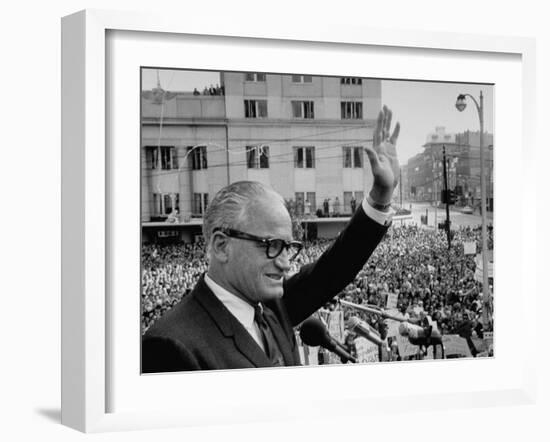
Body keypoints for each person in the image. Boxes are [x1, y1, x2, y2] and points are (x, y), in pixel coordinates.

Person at [142, 105, 401, 372]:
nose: (285, 263)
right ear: (221, 246)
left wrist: (380, 197)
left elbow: (333, 270)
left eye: (288, 247)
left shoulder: (273, 306)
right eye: (272, 246)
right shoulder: (170, 345)